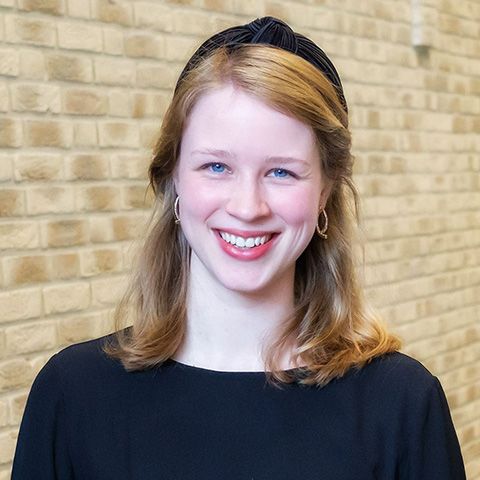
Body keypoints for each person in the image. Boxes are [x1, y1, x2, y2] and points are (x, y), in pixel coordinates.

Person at [12, 16, 466, 479]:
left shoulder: (402, 404)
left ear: (325, 191)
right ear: (173, 177)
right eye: (216, 167)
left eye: (282, 172)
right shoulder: (72, 395)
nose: (248, 208)